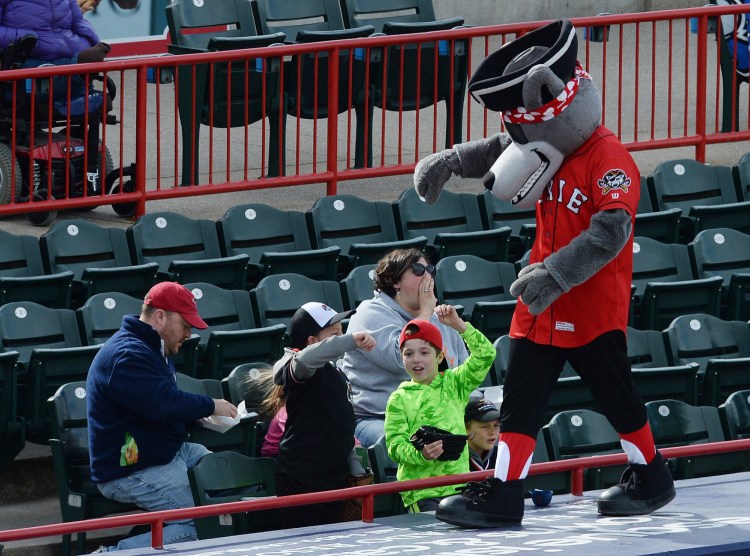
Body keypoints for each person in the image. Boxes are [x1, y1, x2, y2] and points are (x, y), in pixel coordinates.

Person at [414, 19, 675, 528]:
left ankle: (652, 475)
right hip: (538, 304)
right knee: (520, 402)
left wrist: (555, 274)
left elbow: (612, 232)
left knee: (617, 397)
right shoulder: (548, 145)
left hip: (589, 306)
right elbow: (498, 151)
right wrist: (449, 162)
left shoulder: (608, 157)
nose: (524, 135)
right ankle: (504, 493)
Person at [86, 281, 238, 551]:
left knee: (220, 478)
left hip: (163, 452)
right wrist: (210, 406)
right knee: (204, 521)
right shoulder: (127, 354)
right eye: (186, 325)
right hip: (129, 468)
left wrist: (195, 417)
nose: (190, 333)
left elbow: (154, 404)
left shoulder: (155, 346)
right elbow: (161, 404)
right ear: (160, 316)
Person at [341, 248, 470, 450]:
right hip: (379, 417)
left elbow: (464, 372)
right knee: (412, 445)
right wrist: (426, 312)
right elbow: (402, 359)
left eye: (430, 269)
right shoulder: (369, 313)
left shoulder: (440, 321)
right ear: (395, 281)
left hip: (438, 414)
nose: (428, 276)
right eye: (418, 270)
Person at [273, 301, 376, 529]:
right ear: (311, 341)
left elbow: (342, 422)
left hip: (334, 474)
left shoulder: (335, 372)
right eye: (333, 335)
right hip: (301, 476)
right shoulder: (300, 366)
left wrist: (353, 465)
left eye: (341, 332)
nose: (341, 338)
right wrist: (348, 341)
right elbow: (306, 359)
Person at [384, 309, 496, 513]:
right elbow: (394, 446)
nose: (416, 359)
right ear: (402, 358)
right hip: (422, 491)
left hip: (459, 485)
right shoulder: (398, 398)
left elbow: (486, 355)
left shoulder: (455, 383)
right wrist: (422, 454)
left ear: (440, 356)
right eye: (408, 353)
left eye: (424, 352)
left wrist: (460, 326)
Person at [464, 395, 500, 472]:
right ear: (466, 429)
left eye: (496, 425)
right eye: (485, 426)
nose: (492, 432)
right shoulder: (453, 462)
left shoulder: (503, 456)